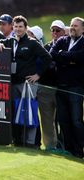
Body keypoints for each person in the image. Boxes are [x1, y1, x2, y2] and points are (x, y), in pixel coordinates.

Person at [0, 15, 52, 147]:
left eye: (21, 27)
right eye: (16, 26)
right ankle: (18, 140)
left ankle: (32, 143)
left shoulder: (32, 43)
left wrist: (38, 75)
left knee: (29, 112)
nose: (18, 29)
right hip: (13, 83)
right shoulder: (10, 41)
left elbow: (47, 58)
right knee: (16, 112)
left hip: (28, 84)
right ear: (13, 27)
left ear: (26, 28)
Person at [49, 17, 84, 158]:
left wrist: (63, 56)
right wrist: (69, 59)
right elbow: (52, 54)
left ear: (82, 29)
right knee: (63, 120)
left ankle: (79, 148)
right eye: (71, 25)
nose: (73, 28)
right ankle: (69, 149)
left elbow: (80, 57)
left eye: (76, 26)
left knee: (76, 120)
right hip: (60, 86)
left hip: (76, 87)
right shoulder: (62, 40)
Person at [38, 20, 65, 150]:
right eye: (52, 30)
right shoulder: (47, 47)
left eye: (57, 30)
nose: (54, 33)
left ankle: (65, 146)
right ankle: (50, 146)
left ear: (64, 32)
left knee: (63, 119)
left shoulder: (67, 45)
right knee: (47, 120)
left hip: (62, 88)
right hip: (46, 87)